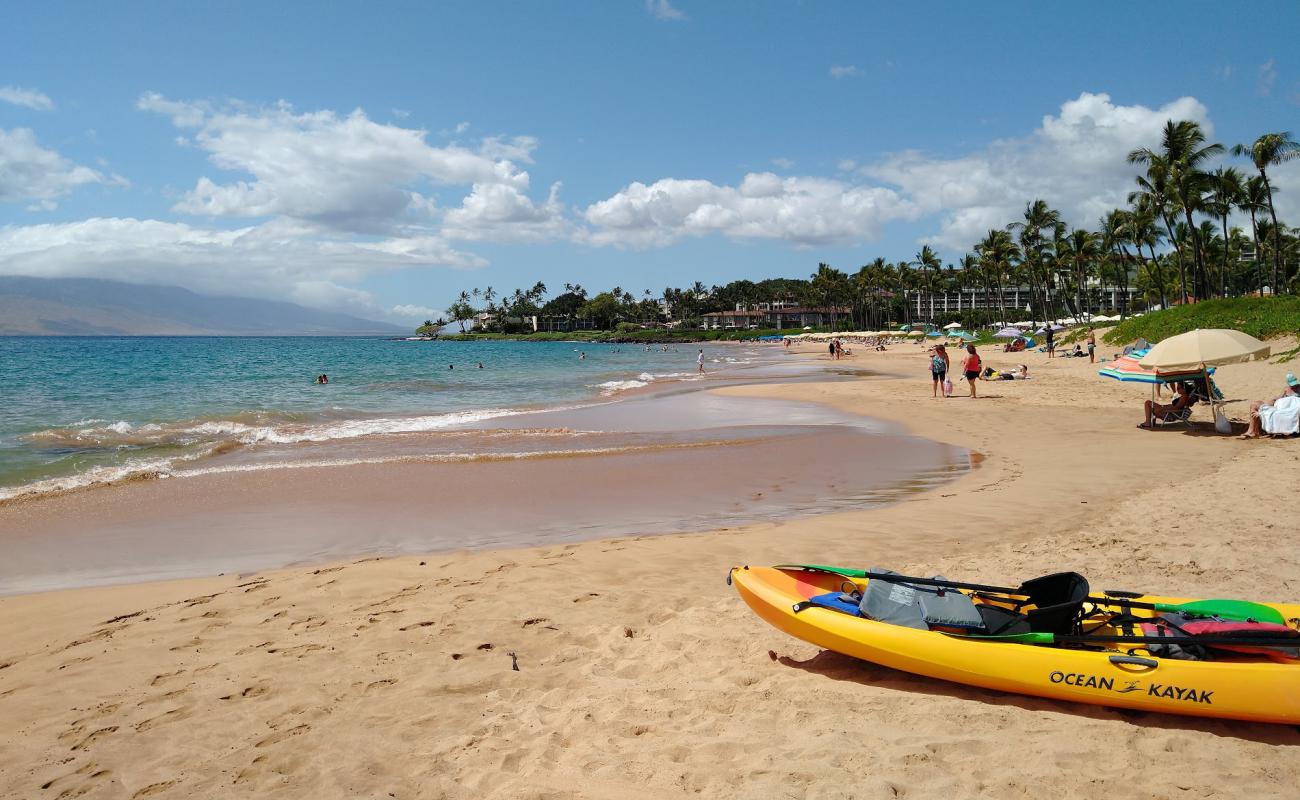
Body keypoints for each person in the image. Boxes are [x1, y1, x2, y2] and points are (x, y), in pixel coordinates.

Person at [1240, 373, 1300, 439]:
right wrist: (1266, 406)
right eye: (1292, 385)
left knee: (1275, 413)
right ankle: (1252, 431)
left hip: (1291, 409)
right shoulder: (1286, 389)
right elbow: (1277, 399)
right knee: (1255, 405)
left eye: (1295, 384)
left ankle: (1259, 429)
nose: (1294, 386)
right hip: (1282, 407)